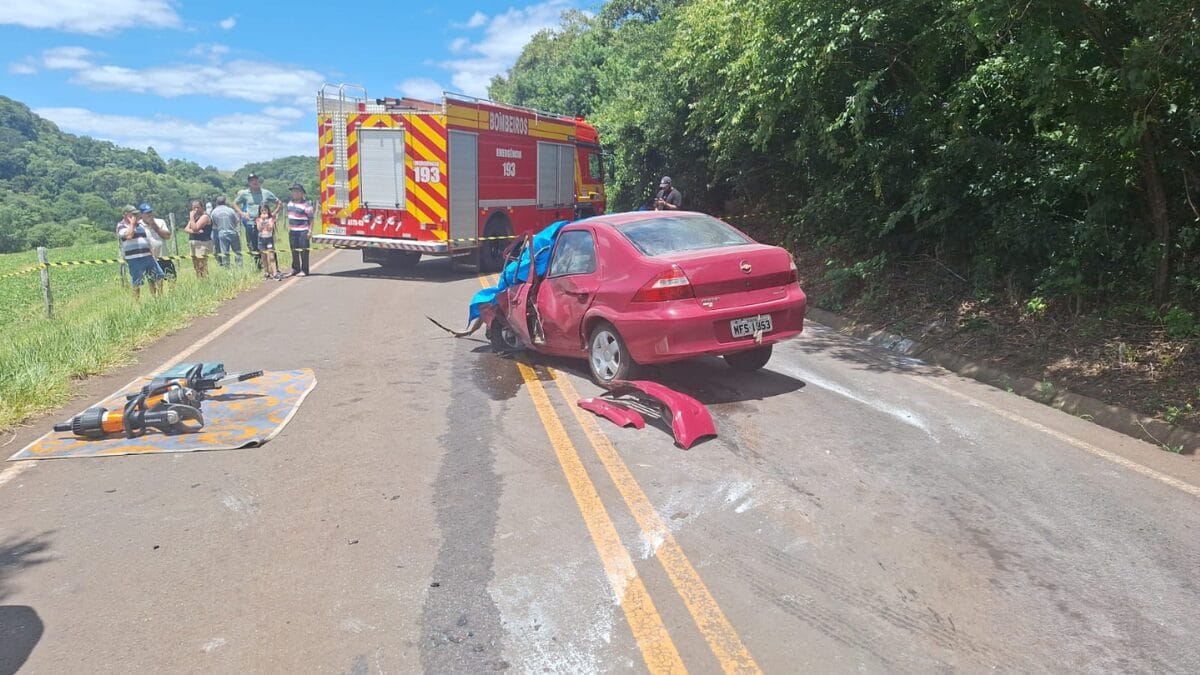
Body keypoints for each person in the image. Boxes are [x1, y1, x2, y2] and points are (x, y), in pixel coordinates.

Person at [234, 173, 280, 270]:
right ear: (249, 183)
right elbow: (234, 203)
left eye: (255, 180)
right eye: (251, 180)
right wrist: (242, 213)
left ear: (258, 181)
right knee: (254, 247)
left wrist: (273, 214)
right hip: (251, 223)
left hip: (266, 225)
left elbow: (279, 203)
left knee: (270, 247)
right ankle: (260, 268)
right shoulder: (245, 193)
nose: (254, 182)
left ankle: (275, 269)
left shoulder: (266, 193)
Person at [118, 205, 165, 299]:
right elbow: (129, 236)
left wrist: (151, 252)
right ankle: (137, 303)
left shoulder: (140, 226)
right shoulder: (121, 226)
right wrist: (131, 224)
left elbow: (146, 240)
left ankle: (159, 298)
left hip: (147, 256)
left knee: (158, 276)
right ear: (126, 215)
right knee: (137, 281)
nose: (136, 216)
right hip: (134, 258)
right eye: (133, 214)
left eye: (136, 214)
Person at [138, 203, 175, 281]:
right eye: (147, 213)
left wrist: (155, 226)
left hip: (164, 256)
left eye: (150, 212)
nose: (149, 215)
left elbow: (168, 236)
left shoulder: (160, 222)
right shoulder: (138, 226)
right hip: (149, 259)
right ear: (141, 214)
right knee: (154, 281)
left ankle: (172, 293)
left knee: (171, 278)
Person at [285, 183, 315, 277]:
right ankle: (295, 268)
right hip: (293, 231)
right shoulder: (290, 204)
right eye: (294, 191)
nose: (295, 193)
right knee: (294, 250)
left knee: (304, 251)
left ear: (302, 193)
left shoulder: (306, 205)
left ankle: (304, 270)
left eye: (297, 191)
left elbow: (311, 219)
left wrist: (310, 231)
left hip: (303, 231)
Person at [210, 196, 242, 267]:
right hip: (233, 231)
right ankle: (239, 266)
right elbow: (237, 221)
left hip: (222, 233)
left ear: (216, 202)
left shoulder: (214, 212)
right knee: (237, 251)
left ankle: (226, 267)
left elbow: (213, 224)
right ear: (225, 202)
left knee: (224, 252)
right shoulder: (231, 210)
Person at [185, 199, 214, 278]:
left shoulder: (204, 217)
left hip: (202, 243)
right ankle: (199, 280)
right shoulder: (194, 218)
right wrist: (194, 231)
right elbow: (186, 229)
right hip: (193, 243)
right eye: (194, 208)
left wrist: (191, 217)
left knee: (202, 265)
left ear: (202, 207)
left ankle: (205, 280)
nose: (196, 210)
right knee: (196, 266)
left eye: (197, 207)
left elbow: (195, 228)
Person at [255, 203, 281, 280]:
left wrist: (266, 220)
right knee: (263, 257)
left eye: (265, 210)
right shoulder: (258, 219)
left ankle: (275, 272)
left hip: (269, 239)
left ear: (268, 210)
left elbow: (270, 228)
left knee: (271, 256)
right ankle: (266, 272)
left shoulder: (271, 218)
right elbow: (259, 229)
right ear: (259, 211)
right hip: (261, 239)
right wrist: (262, 220)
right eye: (262, 210)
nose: (264, 212)